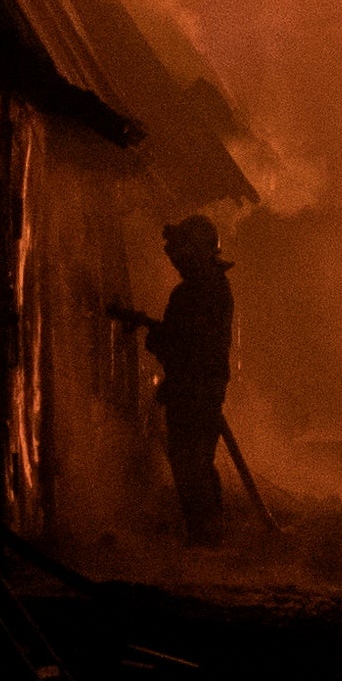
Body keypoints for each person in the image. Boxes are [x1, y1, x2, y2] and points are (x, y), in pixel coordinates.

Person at [110, 216, 235, 546]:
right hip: (202, 387)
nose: (177, 260)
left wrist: (154, 334)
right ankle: (208, 533)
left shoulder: (194, 292)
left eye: (181, 252)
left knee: (188, 463)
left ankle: (204, 534)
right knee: (197, 461)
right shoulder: (216, 288)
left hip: (192, 389)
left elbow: (183, 342)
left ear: (196, 252)